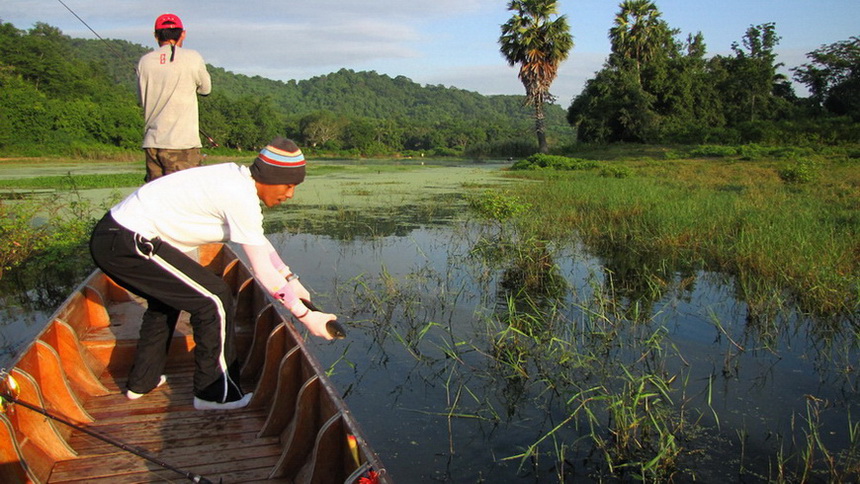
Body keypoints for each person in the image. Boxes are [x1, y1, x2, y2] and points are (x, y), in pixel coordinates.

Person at [88, 137, 336, 410]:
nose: (290, 194)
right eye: (288, 185)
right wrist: (305, 315)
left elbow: (258, 241)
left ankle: (142, 382)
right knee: (215, 299)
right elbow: (262, 270)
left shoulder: (238, 183)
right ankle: (214, 394)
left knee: (166, 303)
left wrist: (290, 279)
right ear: (269, 177)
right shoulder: (239, 194)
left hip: (116, 239)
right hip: (128, 241)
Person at [137, 13, 212, 182]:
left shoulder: (144, 61)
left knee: (157, 200)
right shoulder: (193, 57)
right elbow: (206, 89)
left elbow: (142, 99)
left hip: (152, 144)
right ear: (182, 34)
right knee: (185, 200)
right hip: (182, 144)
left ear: (156, 35)